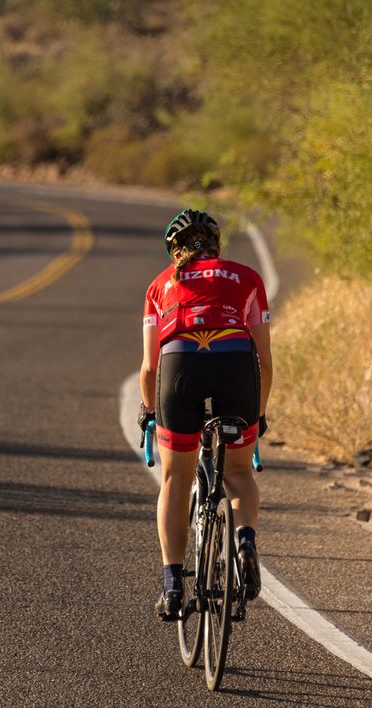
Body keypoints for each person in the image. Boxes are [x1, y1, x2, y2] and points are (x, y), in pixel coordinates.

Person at [138, 209, 273, 620]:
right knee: (237, 474)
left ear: (174, 250)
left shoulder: (161, 284)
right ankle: (245, 540)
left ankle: (173, 582)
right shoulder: (247, 277)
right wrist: (259, 415)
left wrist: (148, 413)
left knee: (176, 477)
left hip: (180, 367)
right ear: (217, 245)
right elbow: (265, 362)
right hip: (236, 365)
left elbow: (148, 368)